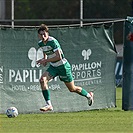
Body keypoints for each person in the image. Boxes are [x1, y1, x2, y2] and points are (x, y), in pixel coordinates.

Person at [37, 24, 94, 112]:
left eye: (44, 34)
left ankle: (89, 95)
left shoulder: (53, 41)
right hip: (53, 67)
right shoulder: (40, 43)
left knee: (72, 89)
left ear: (47, 34)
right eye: (41, 34)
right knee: (42, 80)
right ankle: (49, 105)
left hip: (63, 66)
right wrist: (44, 59)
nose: (43, 36)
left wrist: (46, 61)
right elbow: (44, 51)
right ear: (39, 36)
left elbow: (59, 57)